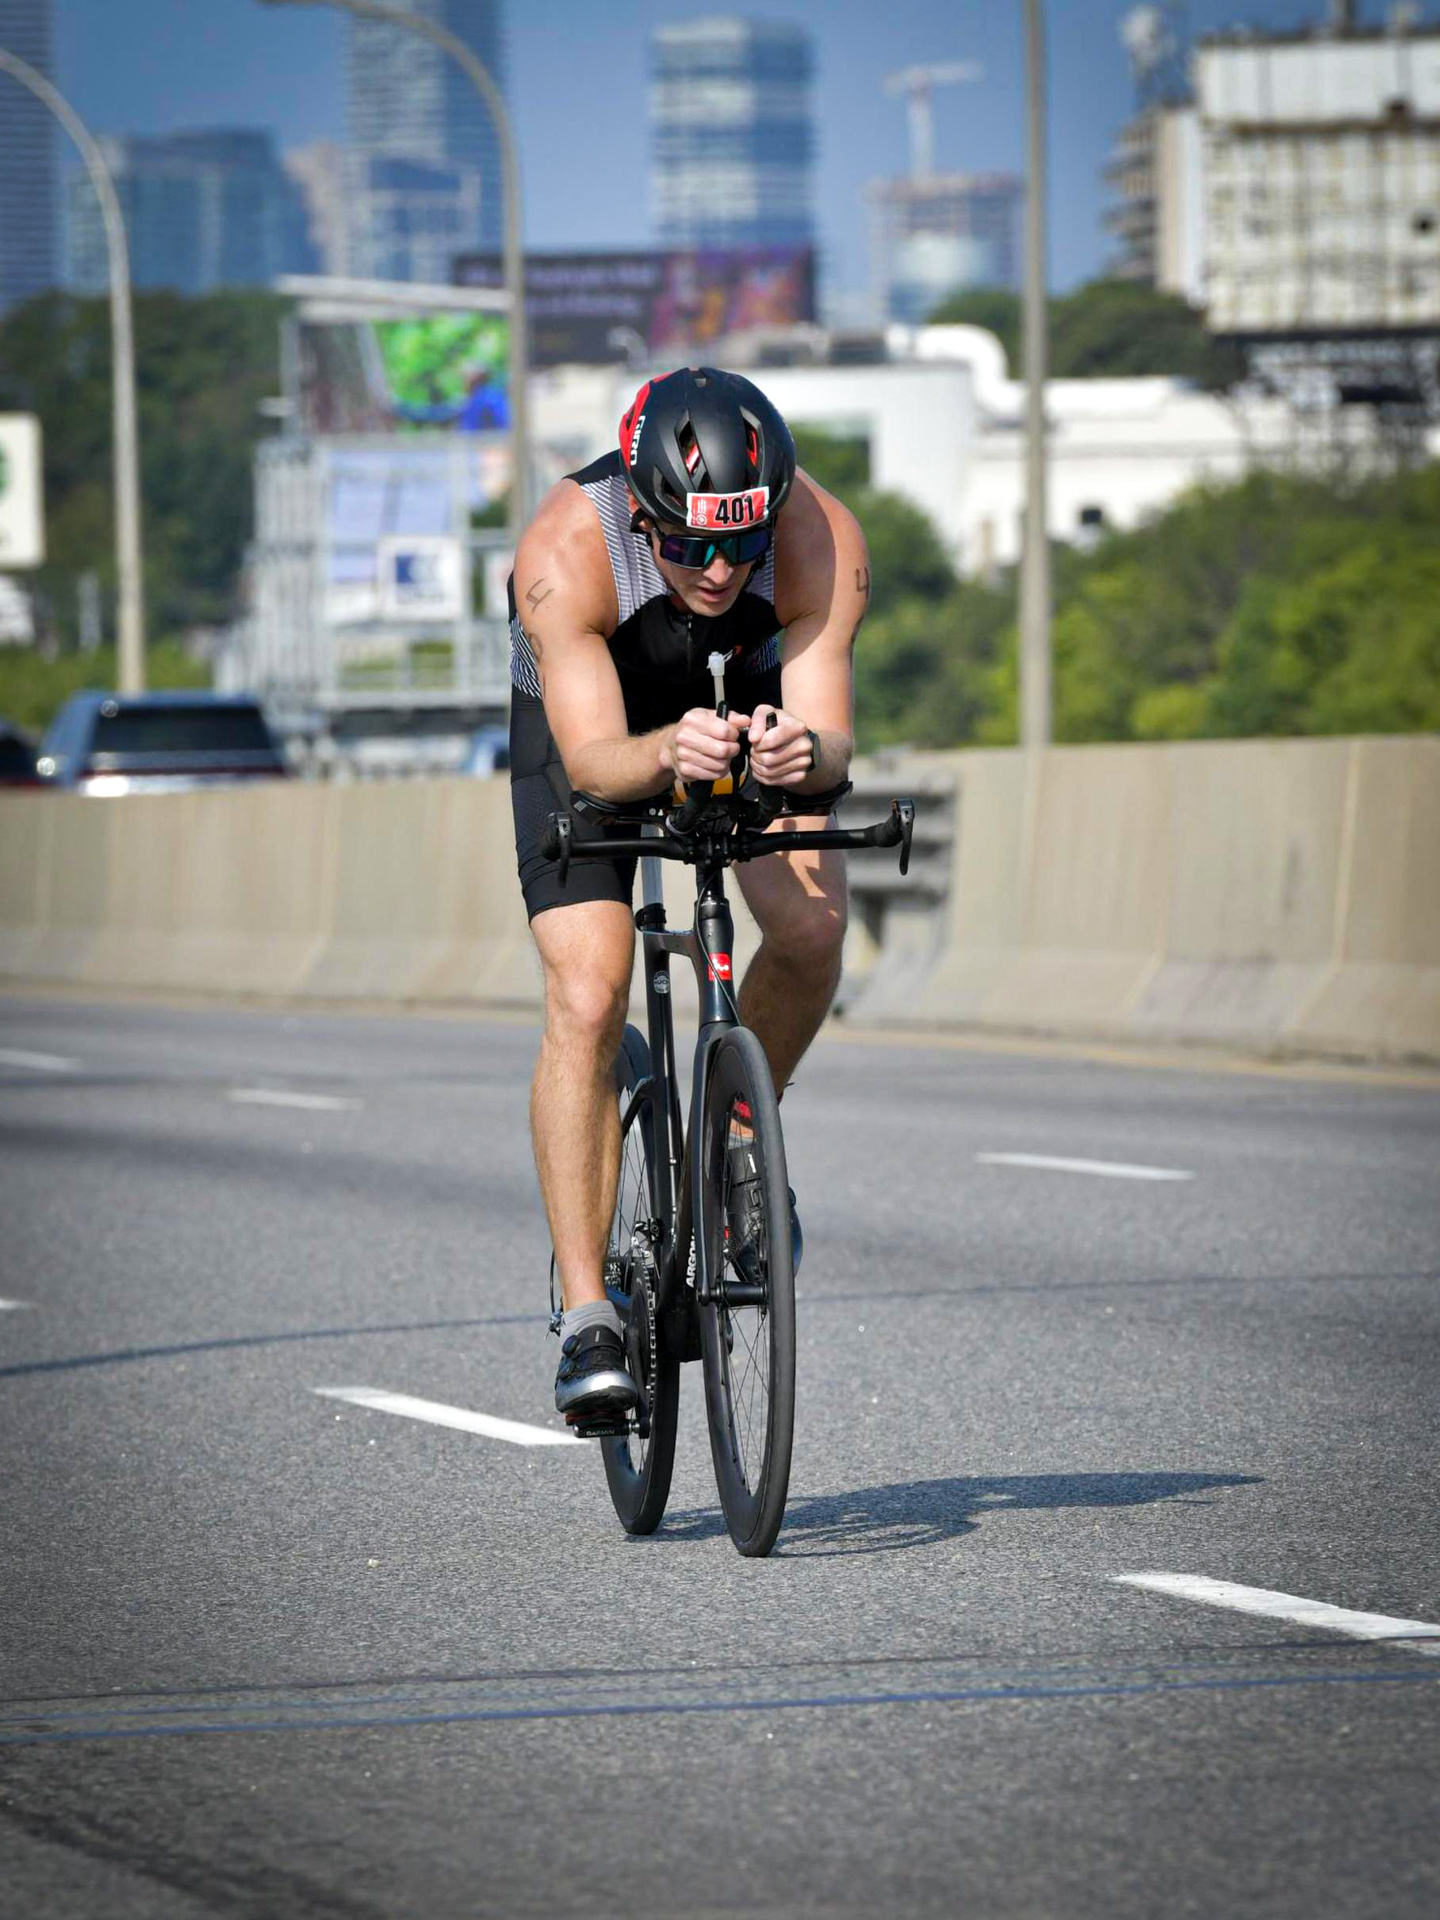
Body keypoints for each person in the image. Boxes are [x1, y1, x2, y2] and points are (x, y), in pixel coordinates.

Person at [507, 366, 869, 1423]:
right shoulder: (566, 551)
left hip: (746, 696)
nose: (718, 569)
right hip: (600, 725)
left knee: (809, 929)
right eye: (690, 545)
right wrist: (670, 750)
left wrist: (798, 749)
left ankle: (736, 1148)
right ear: (642, 508)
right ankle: (587, 1318)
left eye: (740, 542)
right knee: (588, 989)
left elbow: (832, 737)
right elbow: (592, 767)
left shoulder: (818, 539)